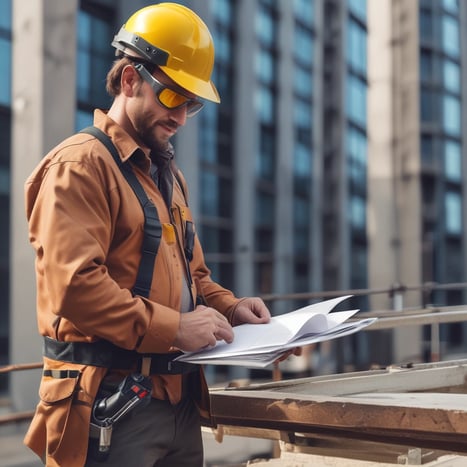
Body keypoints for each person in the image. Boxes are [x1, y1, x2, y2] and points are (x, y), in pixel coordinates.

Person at [23, 4, 273, 466]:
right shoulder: (80, 166)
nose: (180, 117)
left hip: (177, 403)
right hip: (110, 404)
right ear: (129, 80)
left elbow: (192, 277)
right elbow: (74, 287)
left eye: (191, 104)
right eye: (172, 97)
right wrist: (176, 327)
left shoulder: (167, 176)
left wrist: (233, 309)